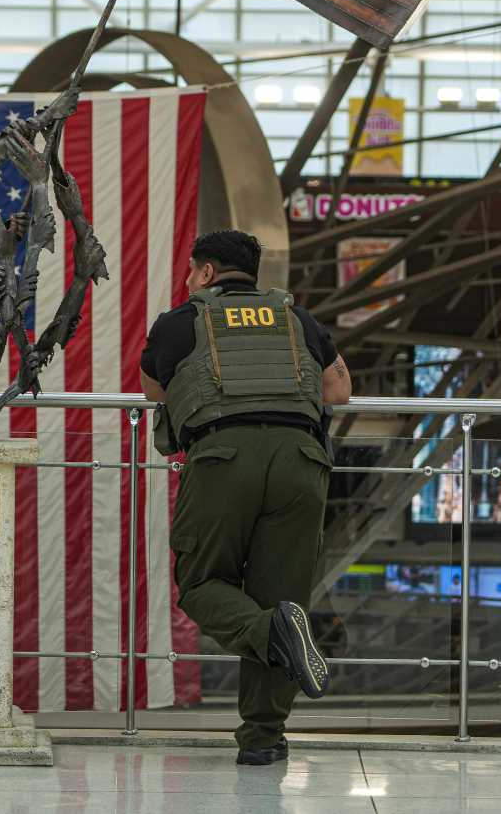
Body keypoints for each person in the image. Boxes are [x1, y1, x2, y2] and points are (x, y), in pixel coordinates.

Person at [140, 229, 351, 766]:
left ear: (206, 273)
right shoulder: (297, 320)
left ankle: (271, 632)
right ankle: (261, 738)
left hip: (222, 457)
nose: (188, 281)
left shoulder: (180, 322)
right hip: (301, 460)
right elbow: (337, 391)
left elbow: (153, 391)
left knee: (201, 584)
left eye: (191, 272)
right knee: (283, 595)